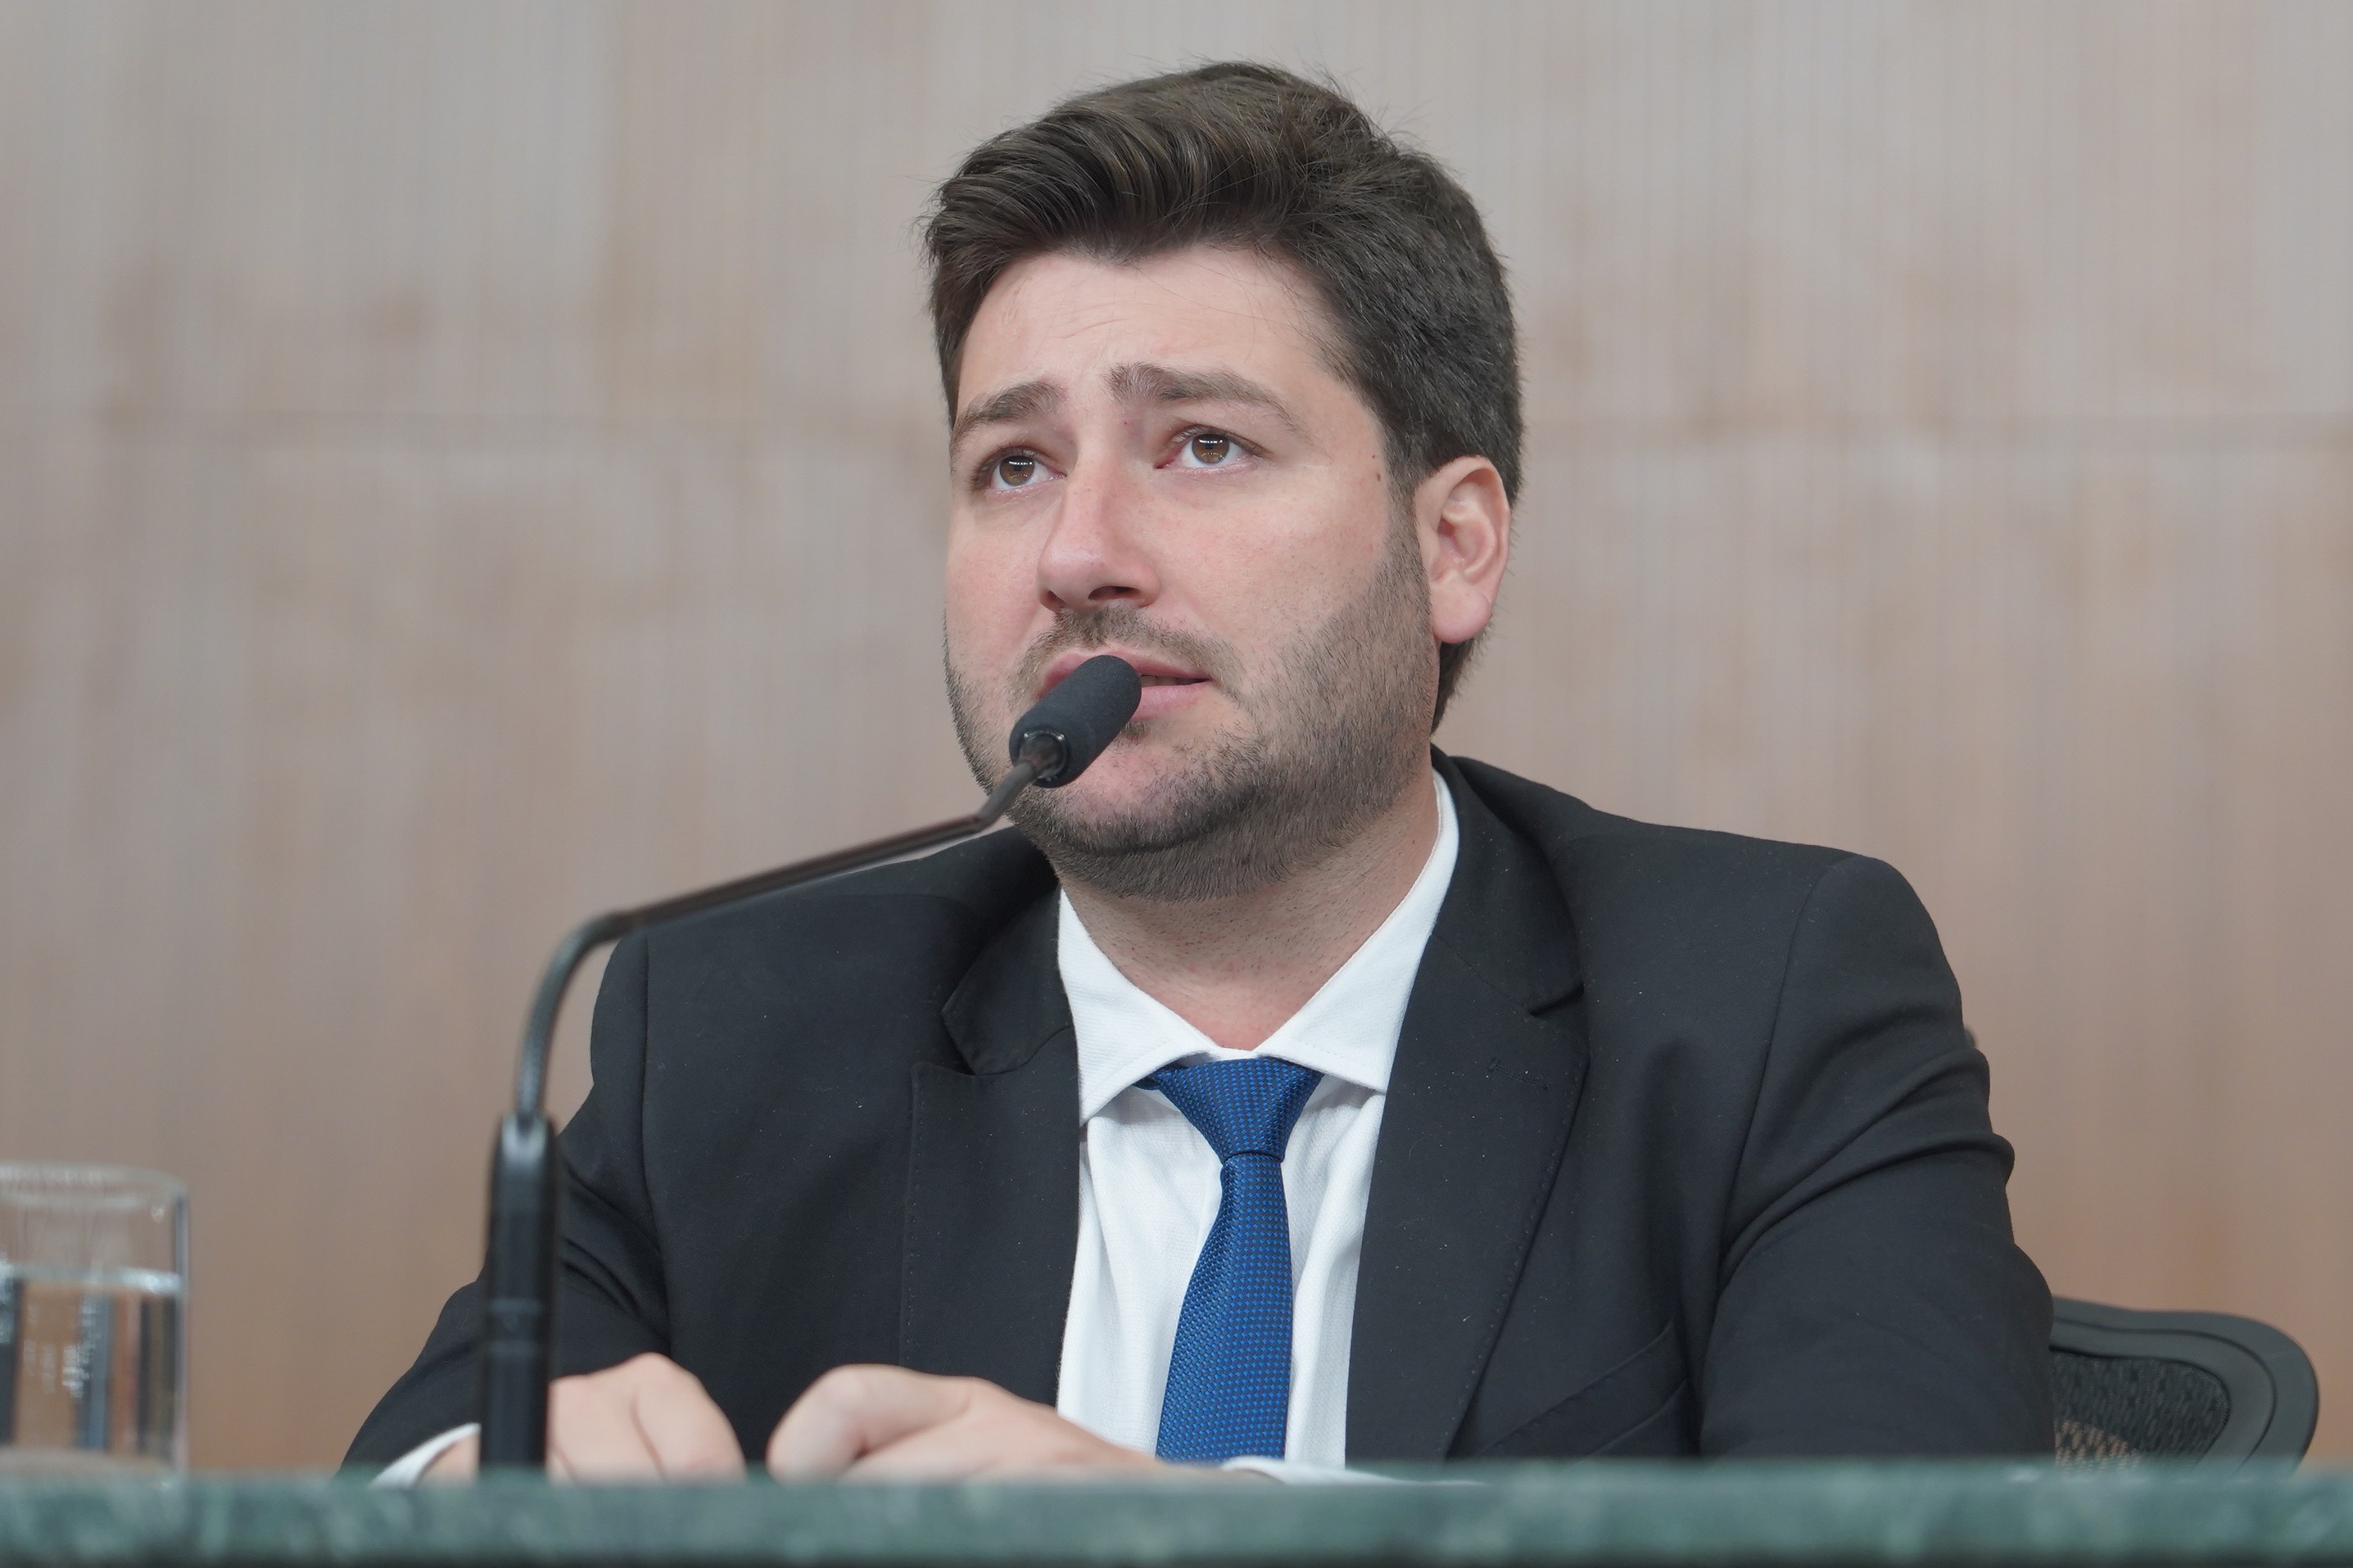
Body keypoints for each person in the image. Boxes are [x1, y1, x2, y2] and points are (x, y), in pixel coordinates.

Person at [348, 62, 2053, 1484]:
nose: (1078, 552)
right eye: (1014, 465)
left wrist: (1191, 1539)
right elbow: (404, 1468)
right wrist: (482, 1491)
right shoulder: (742, 1030)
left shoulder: (1763, 1007)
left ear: (1453, 545)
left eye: (1204, 445)